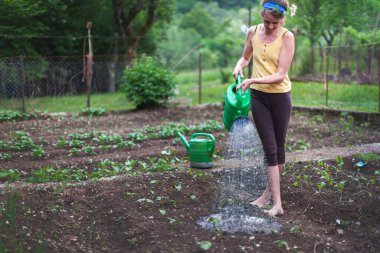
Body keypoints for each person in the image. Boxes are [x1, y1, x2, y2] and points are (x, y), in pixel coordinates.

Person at [233, 0, 295, 216]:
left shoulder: (287, 37)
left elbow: (280, 75)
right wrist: (239, 65)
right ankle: (277, 204)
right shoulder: (252, 32)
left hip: (280, 97)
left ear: (282, 19)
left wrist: (251, 81)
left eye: (274, 23)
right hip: (258, 98)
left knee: (279, 147)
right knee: (269, 148)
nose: (270, 26)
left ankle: (269, 196)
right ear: (262, 16)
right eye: (267, 22)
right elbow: (246, 56)